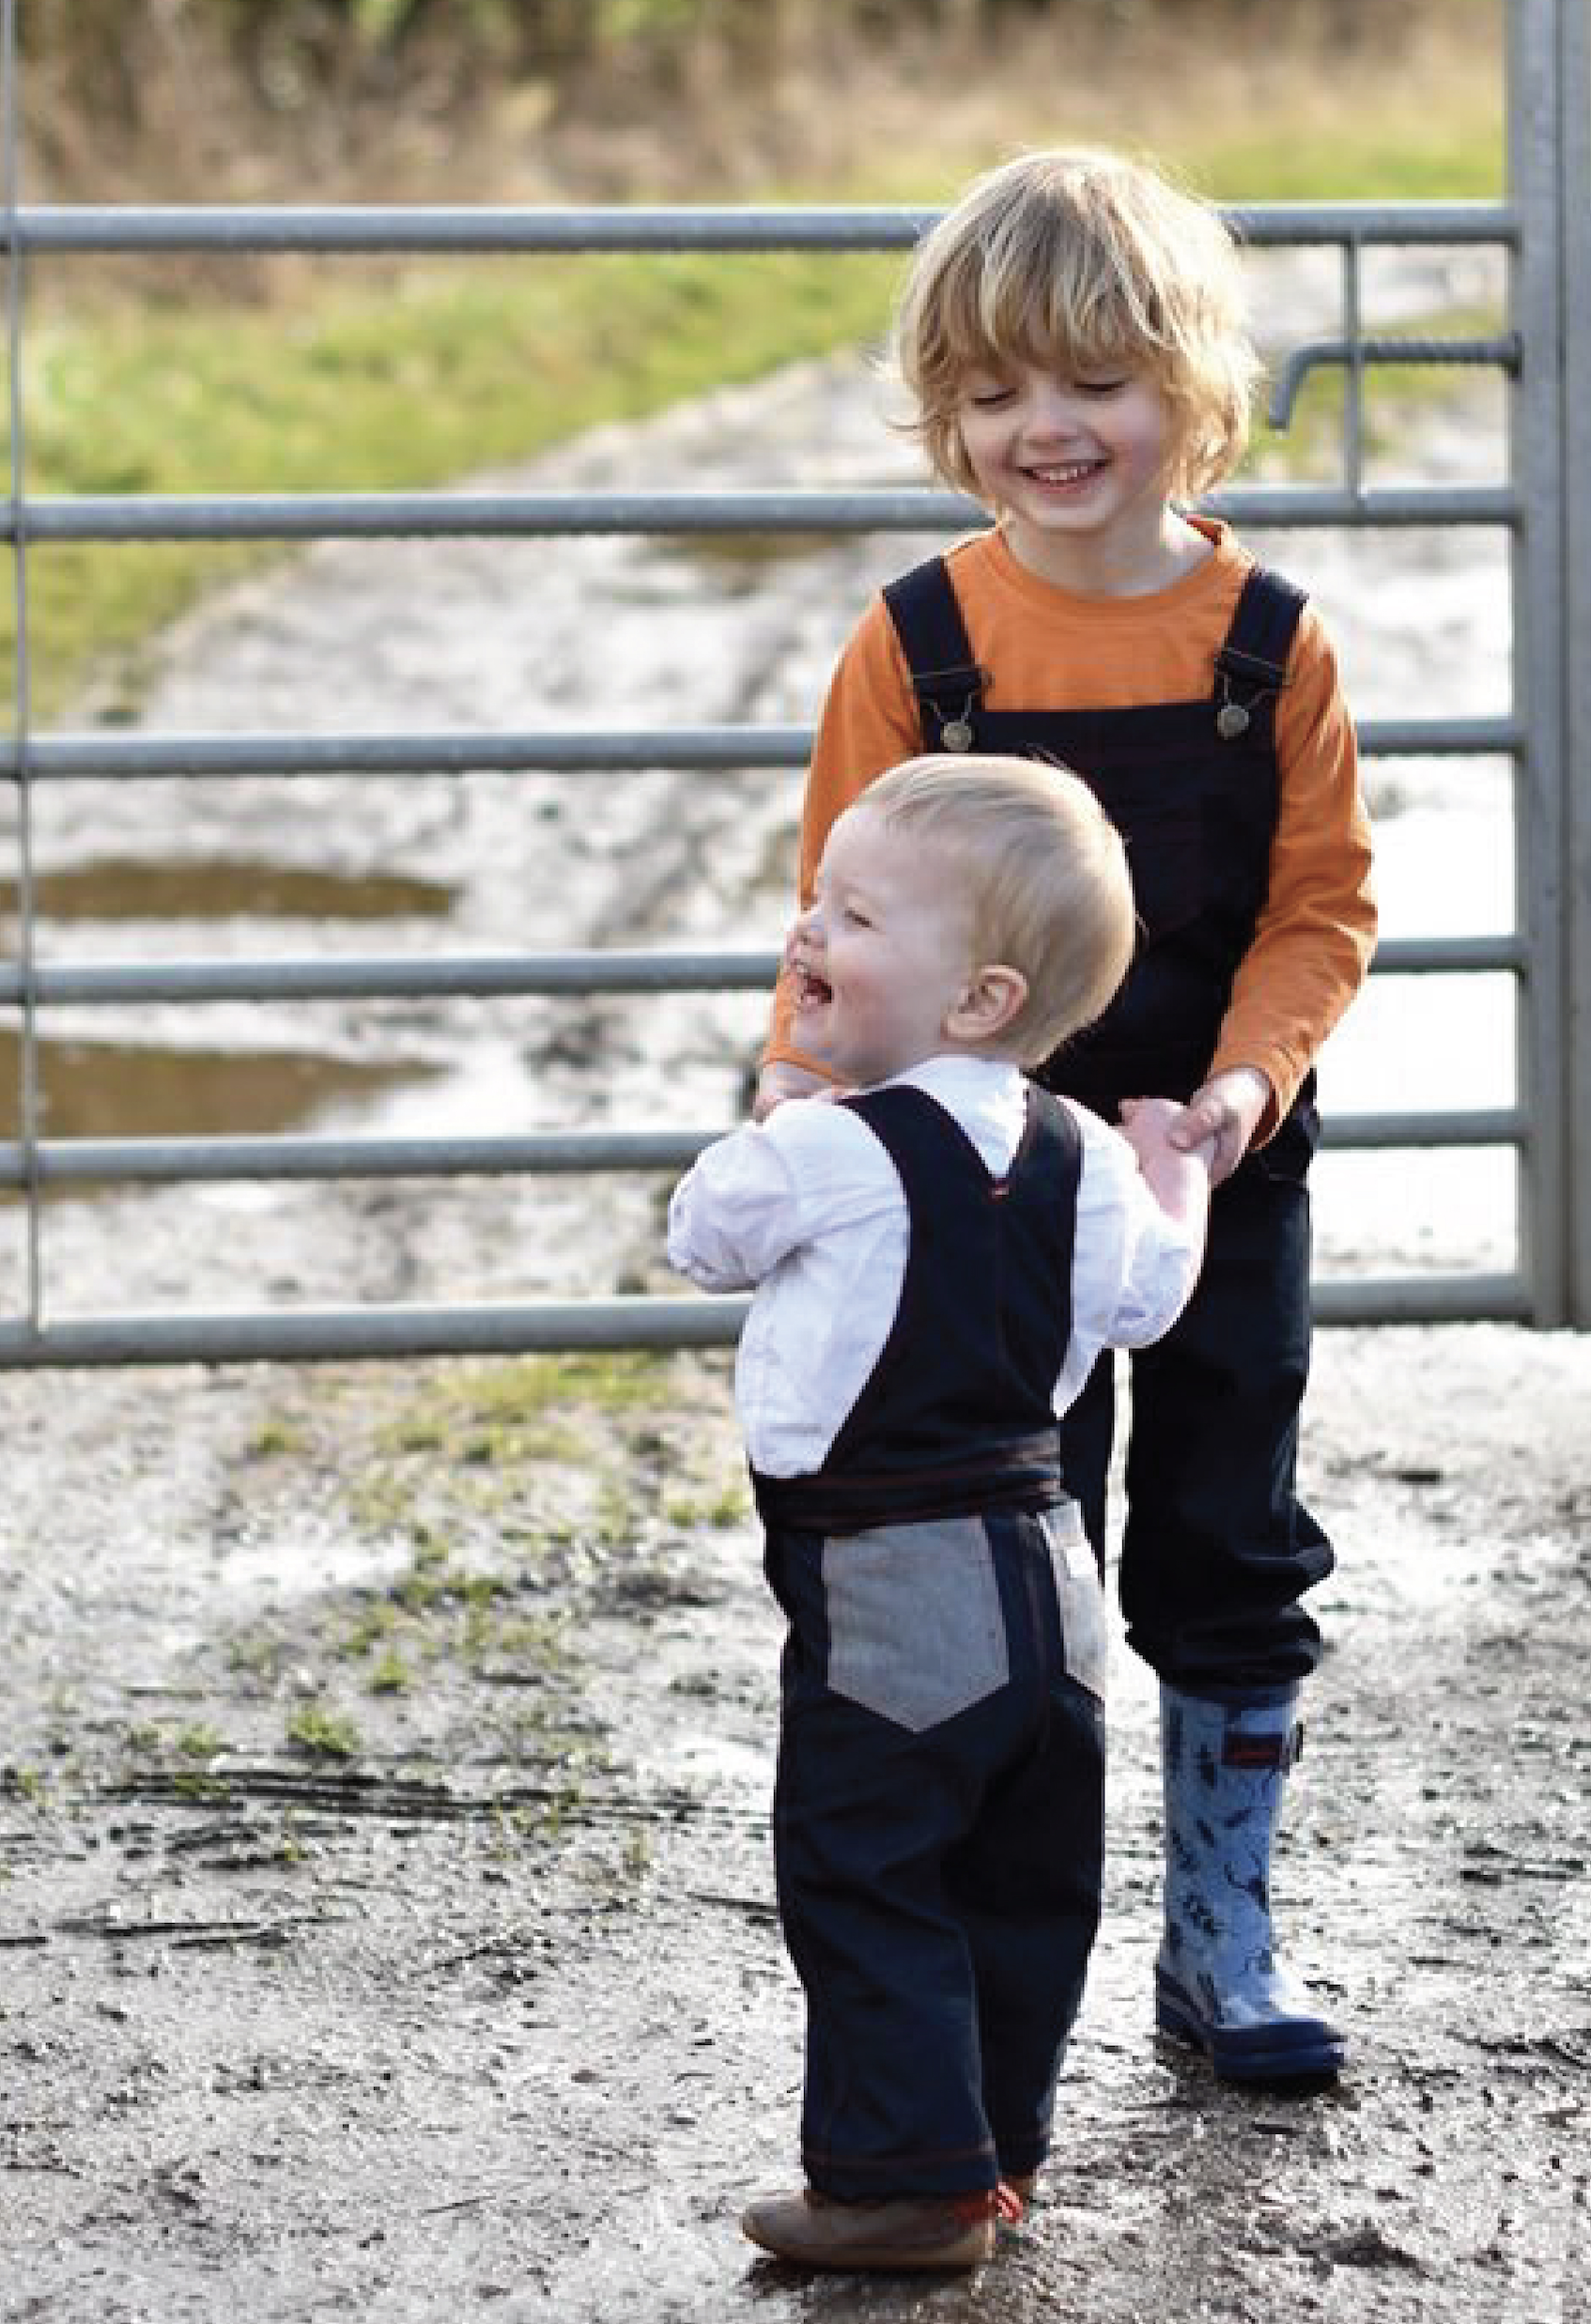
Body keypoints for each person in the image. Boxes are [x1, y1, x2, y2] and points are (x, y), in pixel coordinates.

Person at [753, 148, 1378, 2088]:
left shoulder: (1266, 645)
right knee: (991, 1549)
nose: (1048, 429)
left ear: (1189, 390)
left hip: (1210, 1171)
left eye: (1093, 383)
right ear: (948, 411)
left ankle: (1221, 1937)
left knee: (1218, 1529)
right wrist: (795, 1110)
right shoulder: (918, 648)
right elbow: (832, 922)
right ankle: (977, 1962)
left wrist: (1235, 1093)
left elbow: (1316, 907)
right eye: (999, 390)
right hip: (968, 1197)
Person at [670, 753, 1212, 2271]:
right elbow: (1154, 1301)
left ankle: (906, 2182)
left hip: (892, 1572)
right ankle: (993, 2150)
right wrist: (1185, 1176)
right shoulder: (1090, 1155)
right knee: (1023, 1878)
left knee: (867, 1863)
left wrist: (783, 1093)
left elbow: (703, 1230)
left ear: (974, 998)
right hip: (1054, 1581)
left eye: (850, 914)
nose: (805, 932)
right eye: (814, 901)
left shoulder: (835, 1145)